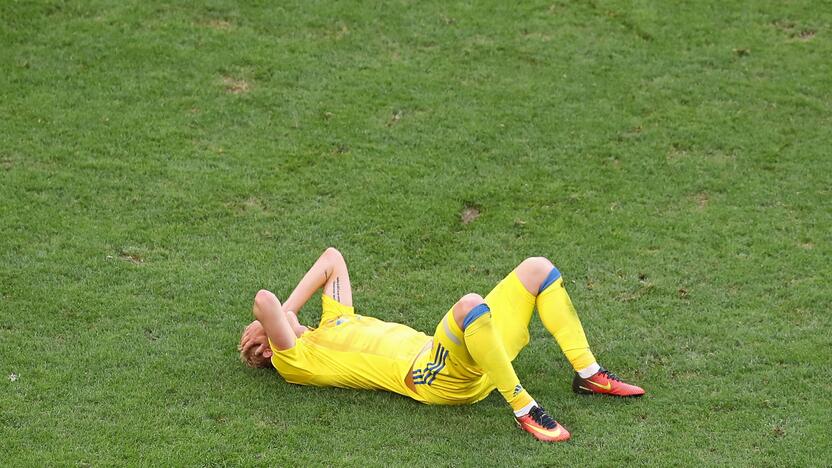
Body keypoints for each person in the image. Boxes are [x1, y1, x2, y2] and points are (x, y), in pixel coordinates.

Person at [239, 247, 644, 442]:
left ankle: (589, 374)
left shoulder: (335, 319)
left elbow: (332, 258)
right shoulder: (298, 361)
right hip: (432, 377)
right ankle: (525, 408)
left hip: (474, 355)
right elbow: (265, 300)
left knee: (537, 269)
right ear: (275, 346)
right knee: (469, 304)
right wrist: (267, 327)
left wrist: (286, 316)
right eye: (267, 336)